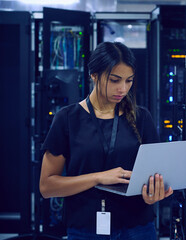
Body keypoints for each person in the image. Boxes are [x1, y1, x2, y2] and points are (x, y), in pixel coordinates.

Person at [39, 41, 173, 240]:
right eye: (114, 80)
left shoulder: (141, 117)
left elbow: (156, 175)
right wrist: (99, 177)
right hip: (86, 230)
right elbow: (47, 187)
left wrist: (154, 193)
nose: (123, 88)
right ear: (94, 75)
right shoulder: (67, 119)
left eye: (129, 81)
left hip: (138, 229)